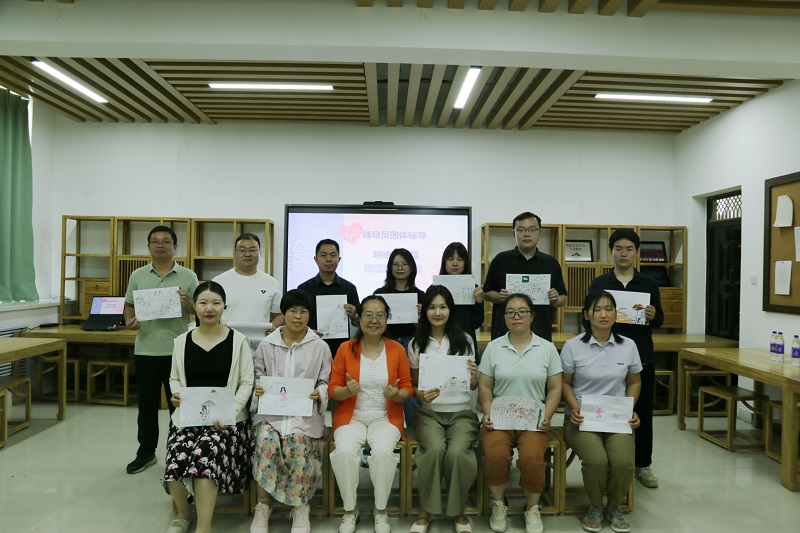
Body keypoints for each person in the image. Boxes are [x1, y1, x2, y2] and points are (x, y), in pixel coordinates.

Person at [162, 281, 254, 533]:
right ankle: (183, 513)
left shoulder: (238, 341)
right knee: (175, 457)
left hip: (226, 422)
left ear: (224, 306)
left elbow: (247, 382)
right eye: (203, 303)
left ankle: (203, 527)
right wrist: (177, 394)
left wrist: (230, 412)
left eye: (216, 303)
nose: (209, 308)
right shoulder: (181, 341)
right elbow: (174, 378)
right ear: (194, 306)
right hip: (189, 417)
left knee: (204, 456)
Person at [478, 293, 562, 533]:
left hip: (533, 420)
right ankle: (498, 503)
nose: (516, 316)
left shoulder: (547, 348)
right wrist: (488, 412)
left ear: (532, 316)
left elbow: (555, 387)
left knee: (532, 459)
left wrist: (547, 416)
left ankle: (532, 507)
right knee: (495, 455)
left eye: (522, 311)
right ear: (504, 317)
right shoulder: (494, 347)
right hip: (500, 419)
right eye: (510, 312)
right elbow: (485, 386)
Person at [328, 295, 413, 533]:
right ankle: (350, 509)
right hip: (351, 418)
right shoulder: (346, 349)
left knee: (383, 452)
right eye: (368, 315)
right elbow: (333, 389)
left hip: (385, 417)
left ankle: (381, 510)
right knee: (344, 451)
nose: (374, 320)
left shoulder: (397, 349)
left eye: (380, 315)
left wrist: (396, 395)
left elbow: (408, 388)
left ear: (387, 319)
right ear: (359, 318)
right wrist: (347, 391)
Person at [250, 289, 332, 533]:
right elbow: (257, 375)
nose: (298, 316)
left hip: (303, 415)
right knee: (265, 441)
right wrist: (258, 389)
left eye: (303, 311)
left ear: (310, 315)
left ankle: (300, 506)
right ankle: (263, 506)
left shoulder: (320, 347)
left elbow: (326, 380)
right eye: (293, 311)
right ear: (283, 314)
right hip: (270, 414)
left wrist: (320, 393)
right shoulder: (267, 344)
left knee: (297, 443)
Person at [560, 291, 642, 533]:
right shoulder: (573, 346)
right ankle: (596, 505)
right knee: (596, 460)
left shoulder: (629, 345)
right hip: (582, 418)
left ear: (616, 314)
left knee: (623, 461)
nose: (603, 314)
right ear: (587, 315)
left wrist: (629, 408)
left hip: (616, 419)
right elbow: (564, 383)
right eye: (597, 309)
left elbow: (634, 381)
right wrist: (574, 407)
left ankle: (614, 506)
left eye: (609, 309)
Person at [589, 228, 663, 490]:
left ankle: (643, 464)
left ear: (636, 252)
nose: (623, 253)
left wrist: (653, 315)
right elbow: (589, 317)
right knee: (606, 406)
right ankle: (609, 460)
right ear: (611, 251)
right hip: (606, 355)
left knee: (641, 412)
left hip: (640, 356)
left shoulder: (649, 284)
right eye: (618, 248)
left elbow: (659, 321)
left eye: (629, 249)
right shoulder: (600, 283)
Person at [124, 225, 199, 475]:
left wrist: (189, 303)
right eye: (155, 241)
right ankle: (146, 452)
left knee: (179, 406)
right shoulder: (137, 275)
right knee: (146, 407)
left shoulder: (188, 275)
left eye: (166, 241)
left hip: (177, 351)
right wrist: (130, 321)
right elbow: (129, 306)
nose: (160, 245)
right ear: (148, 247)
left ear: (175, 246)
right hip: (146, 350)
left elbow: (199, 310)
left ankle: (179, 453)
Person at [407, 285, 479, 533]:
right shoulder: (416, 344)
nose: (437, 313)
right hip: (429, 413)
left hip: (461, 413)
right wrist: (419, 394)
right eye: (432, 307)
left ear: (451, 309)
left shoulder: (465, 340)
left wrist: (474, 378)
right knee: (435, 449)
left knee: (458, 452)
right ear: (424, 311)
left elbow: (473, 384)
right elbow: (414, 385)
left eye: (443, 307)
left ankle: (458, 511)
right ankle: (426, 511)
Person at [482, 212, 567, 342]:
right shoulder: (501, 260)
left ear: (540, 233)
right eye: (521, 230)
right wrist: (500, 297)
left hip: (540, 332)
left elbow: (563, 298)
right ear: (514, 234)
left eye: (532, 230)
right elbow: (486, 293)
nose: (527, 234)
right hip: (505, 332)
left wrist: (555, 299)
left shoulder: (551, 263)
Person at [213, 232, 284, 353]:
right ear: (234, 253)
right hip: (226, 347)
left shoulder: (271, 283)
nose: (247, 254)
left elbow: (279, 314)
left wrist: (273, 327)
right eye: (242, 250)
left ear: (259, 252)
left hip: (260, 349)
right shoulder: (219, 282)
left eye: (252, 250)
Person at [297, 239, 360, 357]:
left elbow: (359, 322)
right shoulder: (304, 289)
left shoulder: (349, 288)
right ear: (315, 259)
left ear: (339, 259)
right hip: (311, 346)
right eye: (323, 255)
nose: (328, 259)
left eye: (332, 255)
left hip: (341, 348)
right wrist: (307, 331)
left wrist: (354, 316)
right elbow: (297, 318)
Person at [438, 242, 484, 358]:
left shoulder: (474, 289)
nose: (455, 263)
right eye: (450, 259)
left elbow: (477, 323)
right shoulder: (435, 289)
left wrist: (479, 302)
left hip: (465, 343)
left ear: (465, 262)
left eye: (460, 259)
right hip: (440, 344)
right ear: (444, 262)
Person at [373, 247, 425, 349]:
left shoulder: (420, 295)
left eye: (404, 264)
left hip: (412, 343)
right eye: (395, 264)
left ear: (411, 268)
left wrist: (421, 317)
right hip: (385, 342)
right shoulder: (380, 294)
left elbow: (424, 329)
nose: (400, 268)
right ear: (390, 268)